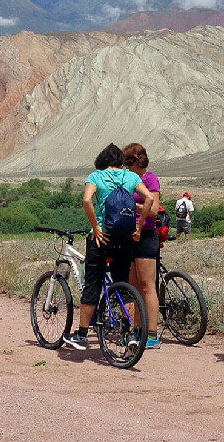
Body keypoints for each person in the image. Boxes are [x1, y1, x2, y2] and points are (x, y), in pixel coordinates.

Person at [63, 143, 154, 350]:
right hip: (125, 238)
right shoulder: (131, 177)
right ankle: (130, 333)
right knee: (123, 283)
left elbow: (87, 200)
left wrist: (95, 226)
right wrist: (138, 227)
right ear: (121, 161)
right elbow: (149, 198)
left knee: (93, 284)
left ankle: (82, 334)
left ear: (102, 160)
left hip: (101, 238)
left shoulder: (96, 176)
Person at [123, 143, 162, 349]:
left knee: (147, 286)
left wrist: (131, 204)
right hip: (129, 235)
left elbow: (154, 210)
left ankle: (153, 334)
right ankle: (137, 331)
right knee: (134, 286)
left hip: (146, 235)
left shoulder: (150, 179)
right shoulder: (130, 179)